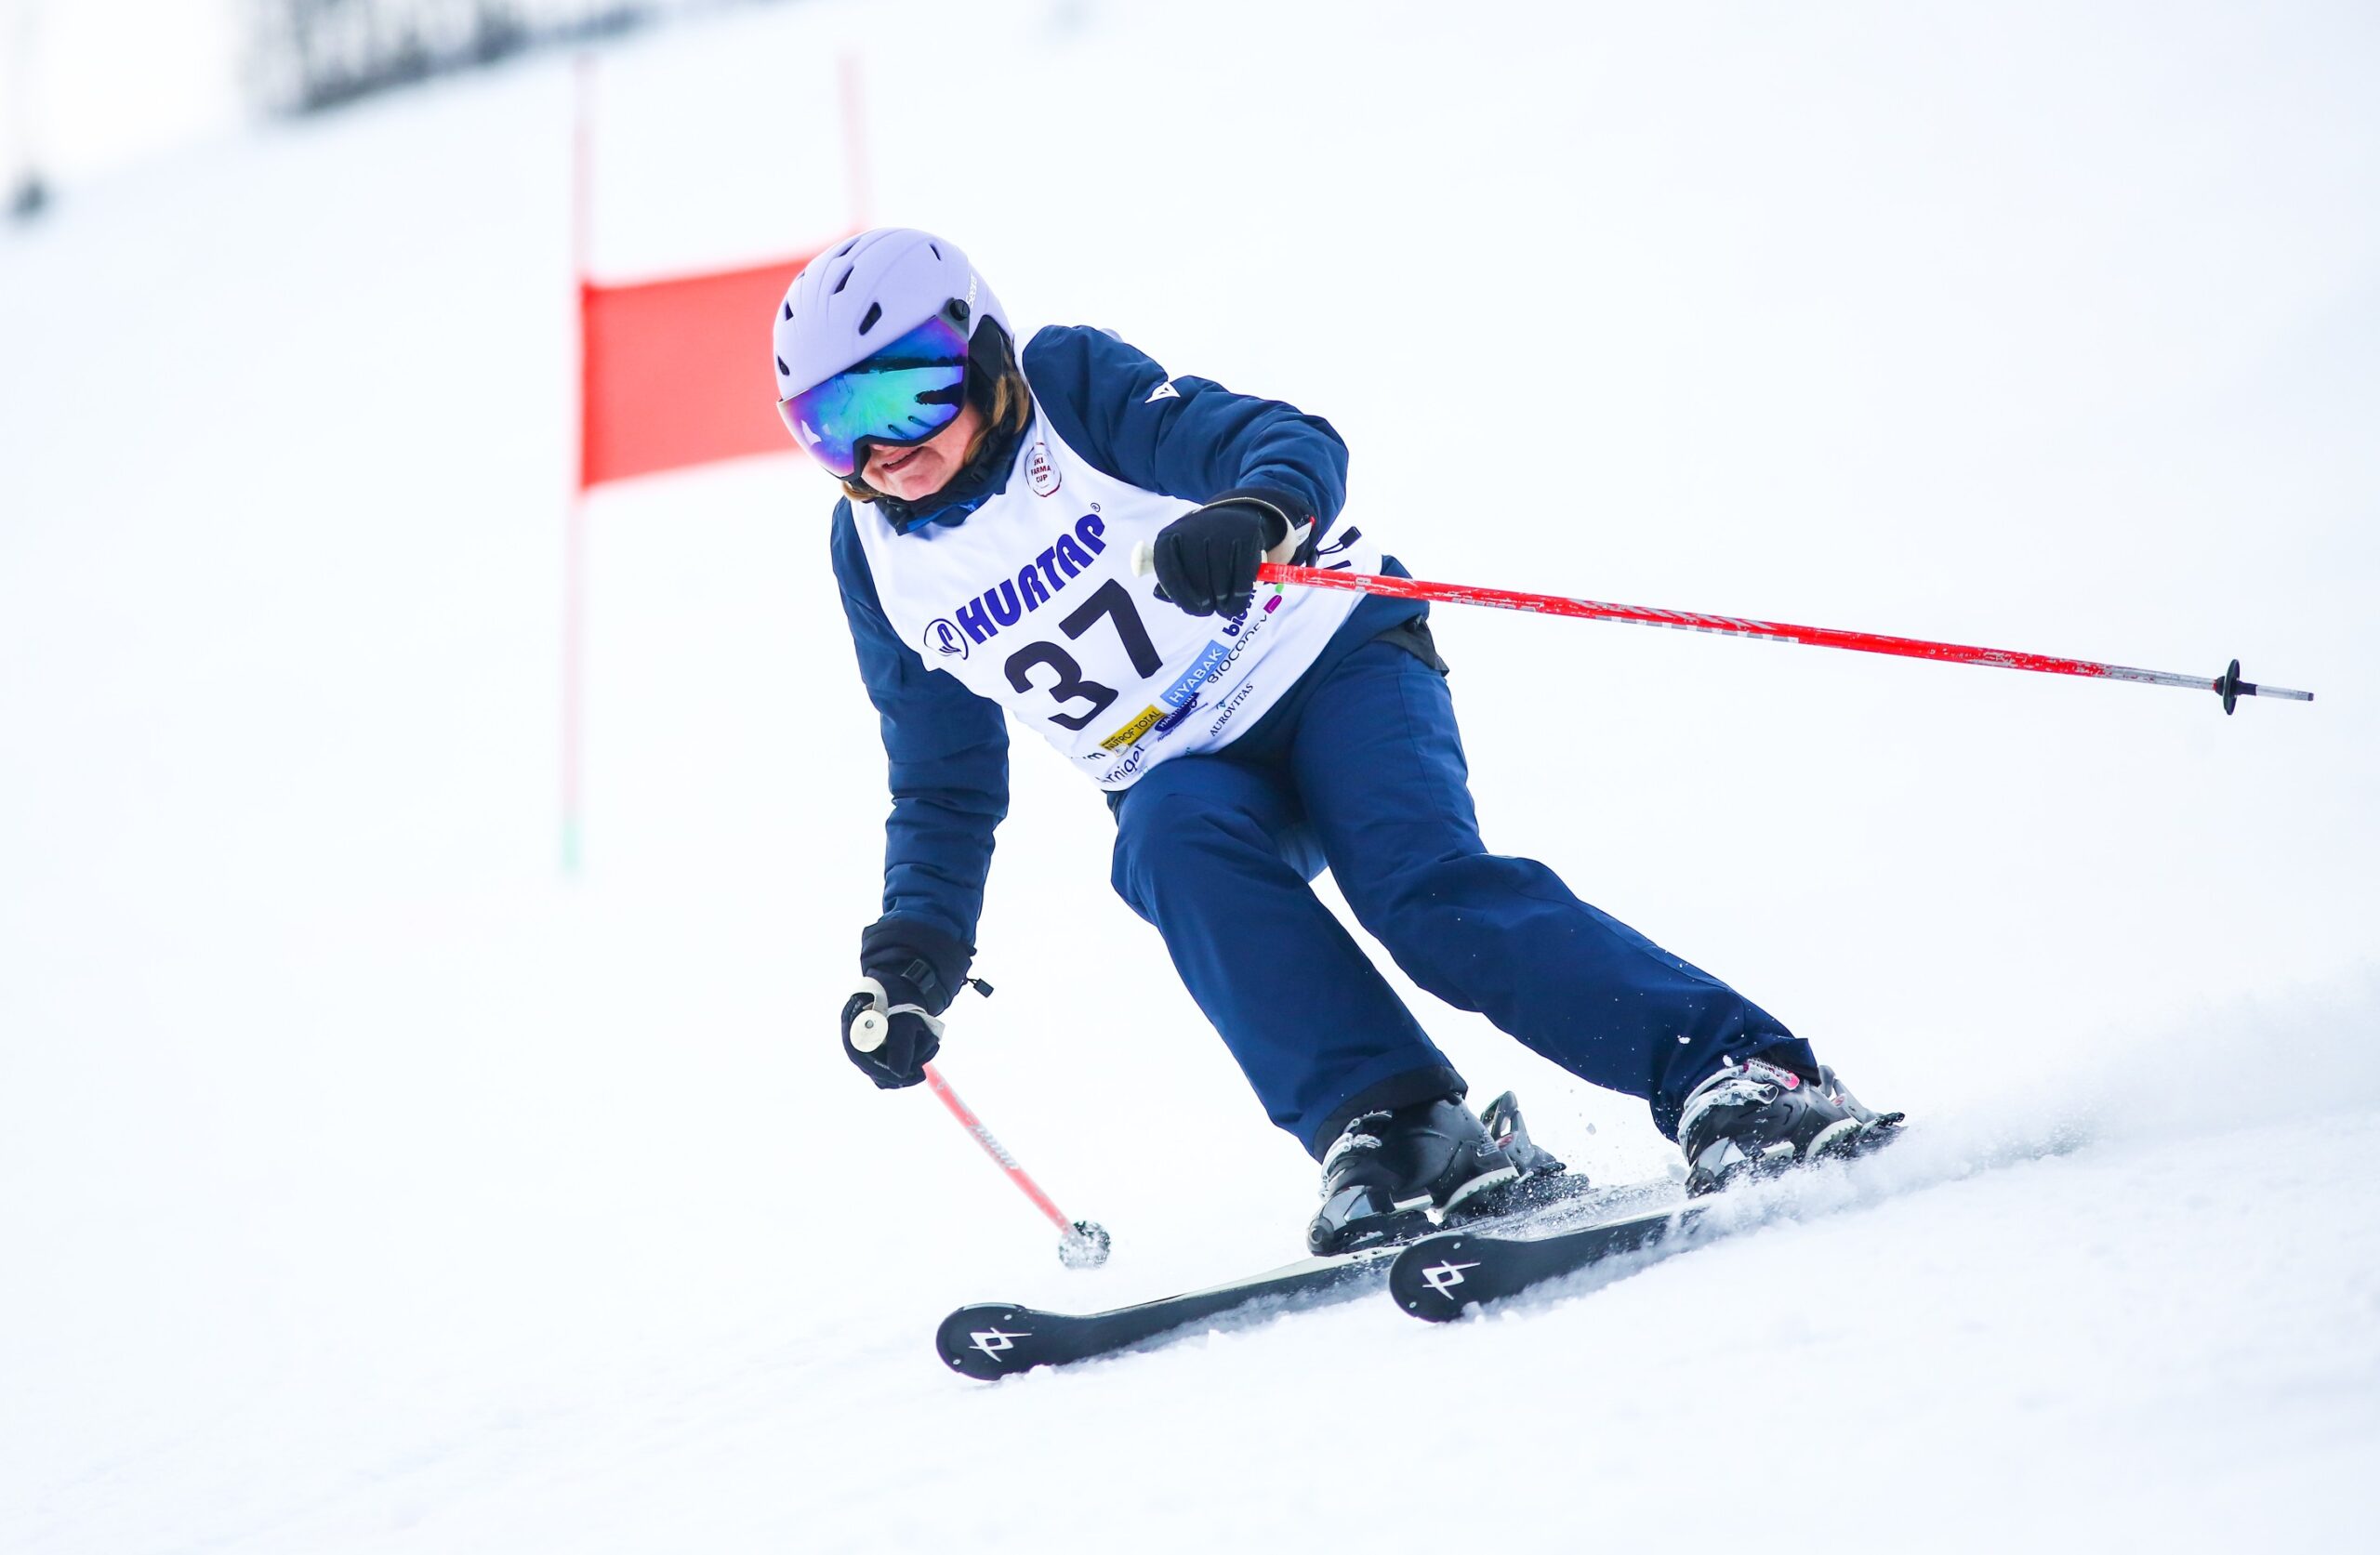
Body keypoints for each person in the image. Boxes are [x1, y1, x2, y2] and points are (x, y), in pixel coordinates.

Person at [774, 228, 1897, 1255]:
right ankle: (1404, 1126)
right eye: (833, 424)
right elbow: (943, 781)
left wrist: (1255, 510)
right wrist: (915, 951)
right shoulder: (874, 559)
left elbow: (1280, 439)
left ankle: (1739, 1072)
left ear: (980, 356)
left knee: (1419, 891)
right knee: (1162, 839)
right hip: (1186, 772)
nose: (880, 449)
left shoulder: (1065, 388)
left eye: (906, 395)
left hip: (1330, 667)